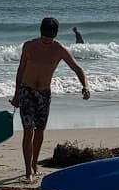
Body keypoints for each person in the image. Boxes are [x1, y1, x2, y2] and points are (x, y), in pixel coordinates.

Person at [12, 16, 89, 180]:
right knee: (28, 130)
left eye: (50, 37)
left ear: (55, 35)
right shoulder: (29, 46)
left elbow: (77, 68)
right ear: (41, 32)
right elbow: (20, 71)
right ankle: (28, 172)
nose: (47, 41)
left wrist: (85, 86)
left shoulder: (59, 49)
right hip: (27, 91)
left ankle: (34, 164)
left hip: (44, 94)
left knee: (40, 131)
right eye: (45, 37)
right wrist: (16, 94)